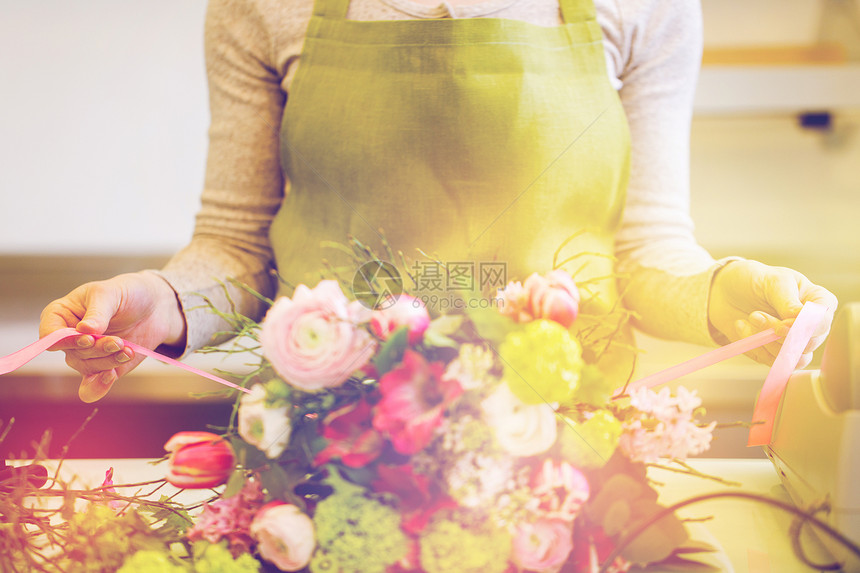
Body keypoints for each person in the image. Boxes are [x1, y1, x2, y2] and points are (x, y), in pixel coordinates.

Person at [40, 0, 837, 403]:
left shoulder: (651, 7)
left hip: (565, 458)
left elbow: (647, 251)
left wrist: (727, 294)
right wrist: (158, 303)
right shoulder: (262, 6)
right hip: (327, 452)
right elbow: (237, 248)